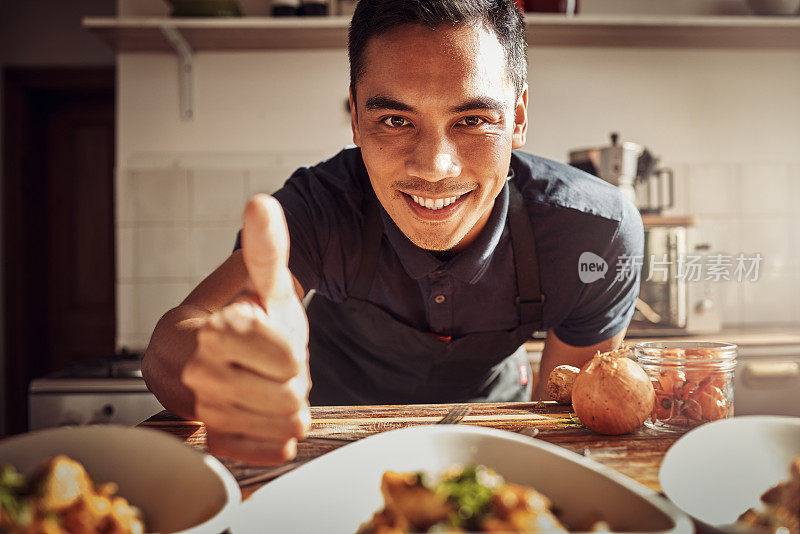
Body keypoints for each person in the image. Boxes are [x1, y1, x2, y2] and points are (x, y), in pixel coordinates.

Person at [142, 0, 644, 465]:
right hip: (326, 440)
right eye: (395, 119)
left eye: (472, 119)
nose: (434, 167)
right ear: (356, 121)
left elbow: (569, 418)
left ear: (517, 117)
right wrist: (228, 378)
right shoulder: (320, 208)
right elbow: (172, 341)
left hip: (489, 438)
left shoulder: (593, 233)